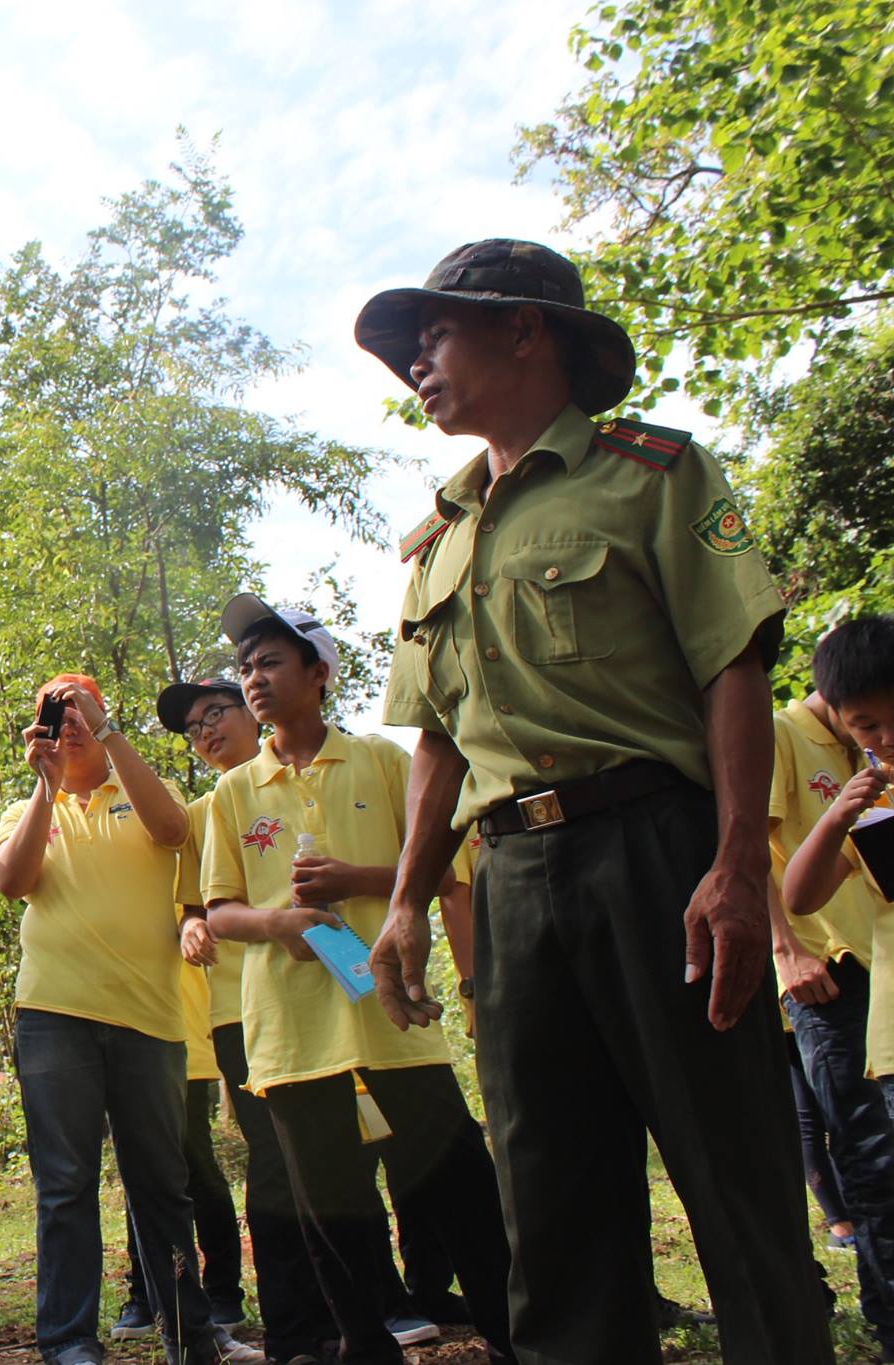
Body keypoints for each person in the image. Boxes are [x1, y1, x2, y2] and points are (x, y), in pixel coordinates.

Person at [359, 239, 830, 1364]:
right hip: (514, 882)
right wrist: (404, 904)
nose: (413, 365)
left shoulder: (650, 474)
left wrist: (734, 863)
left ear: (524, 330)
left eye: (432, 335)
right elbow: (433, 741)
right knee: (548, 1198)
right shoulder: (434, 542)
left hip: (656, 854)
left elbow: (730, 666)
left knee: (732, 1171)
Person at [201, 597, 512, 1365]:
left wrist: (357, 876)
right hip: (291, 1028)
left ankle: (516, 1336)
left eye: (271, 661)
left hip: (393, 1011)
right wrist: (281, 923)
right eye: (245, 668)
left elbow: (447, 867)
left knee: (456, 1181)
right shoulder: (235, 793)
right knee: (330, 1207)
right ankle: (367, 1347)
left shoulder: (385, 760)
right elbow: (221, 910)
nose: (255, 679)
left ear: (319, 673)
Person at [0, 671, 258, 1365]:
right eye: (54, 707)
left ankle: (187, 1332)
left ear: (105, 713)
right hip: (55, 1017)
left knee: (161, 1184)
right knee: (65, 1184)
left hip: (149, 1019)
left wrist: (105, 735)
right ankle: (69, 1341)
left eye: (81, 705)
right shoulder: (30, 804)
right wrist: (45, 785)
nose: (69, 718)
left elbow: (172, 830)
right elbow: (13, 880)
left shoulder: (140, 791)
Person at [159, 677, 338, 1363]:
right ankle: (295, 1325)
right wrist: (191, 929)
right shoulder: (202, 813)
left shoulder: (306, 779)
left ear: (249, 713)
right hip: (241, 1011)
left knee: (334, 1156)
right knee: (274, 1160)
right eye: (192, 727)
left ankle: (365, 1305)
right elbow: (191, 907)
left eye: (214, 714)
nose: (204, 730)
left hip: (331, 993)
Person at [759, 660, 894, 1356]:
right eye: (868, 721)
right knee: (869, 1153)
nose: (880, 734)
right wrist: (786, 952)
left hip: (881, 968)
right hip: (826, 973)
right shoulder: (782, 734)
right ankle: (886, 1316)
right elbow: (754, 846)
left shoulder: (873, 753)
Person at [117, 683, 245, 1341]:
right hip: (133, 1035)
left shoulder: (192, 835)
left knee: (194, 1169)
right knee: (143, 1171)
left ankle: (224, 1289)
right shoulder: (120, 859)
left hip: (189, 1035)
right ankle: (146, 1292)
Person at [782, 616, 894, 1121]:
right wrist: (835, 819)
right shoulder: (879, 808)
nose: (887, 738)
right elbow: (801, 896)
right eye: (867, 725)